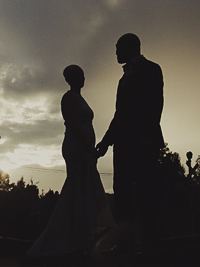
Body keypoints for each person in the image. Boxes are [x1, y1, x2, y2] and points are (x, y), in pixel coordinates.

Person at [27, 65, 114, 258]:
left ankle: (81, 238)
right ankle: (68, 239)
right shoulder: (68, 98)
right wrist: (87, 146)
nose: (83, 78)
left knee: (84, 189)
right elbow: (73, 123)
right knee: (77, 188)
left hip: (85, 150)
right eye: (79, 75)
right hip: (77, 148)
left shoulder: (80, 97)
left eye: (83, 74)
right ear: (71, 79)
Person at [96, 33, 164, 253]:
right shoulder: (123, 79)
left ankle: (151, 242)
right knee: (122, 192)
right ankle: (125, 242)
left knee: (147, 191)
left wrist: (147, 137)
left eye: (118, 48)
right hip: (123, 145)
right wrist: (106, 142)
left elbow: (155, 105)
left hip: (143, 143)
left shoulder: (152, 69)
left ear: (130, 47)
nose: (115, 52)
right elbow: (119, 114)